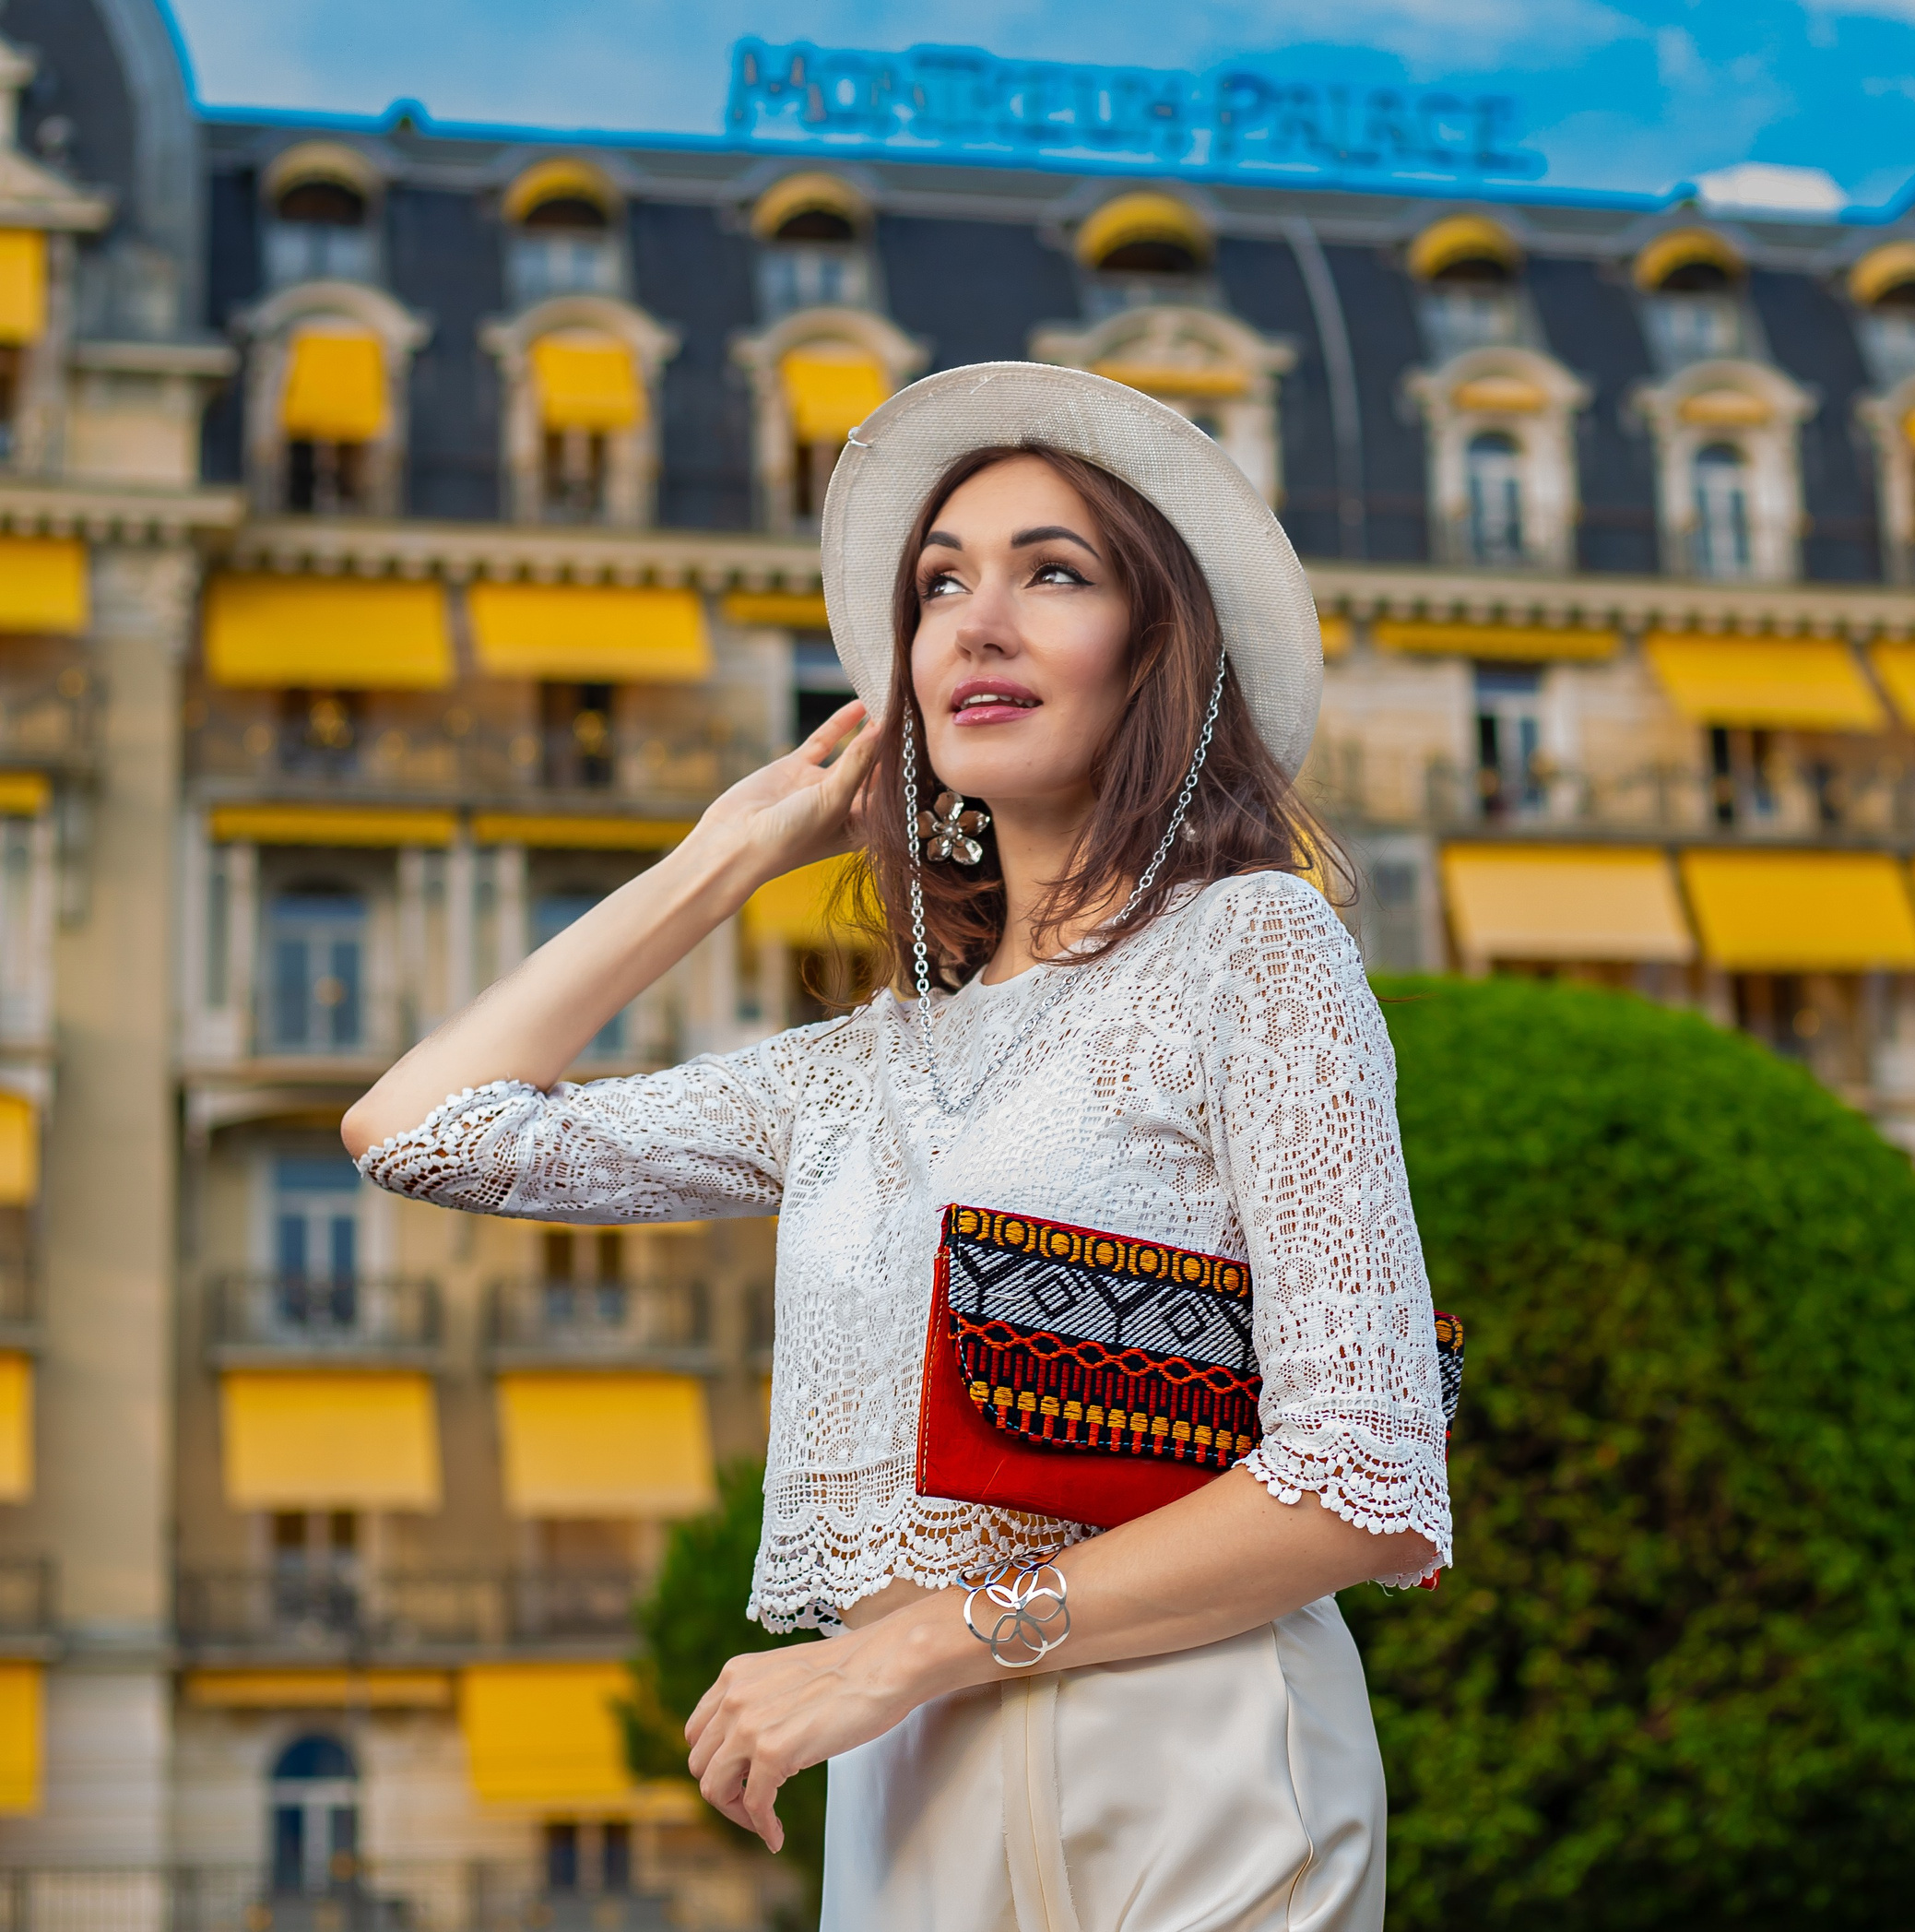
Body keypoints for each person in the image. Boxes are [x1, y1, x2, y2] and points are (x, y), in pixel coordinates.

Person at [343, 363, 1454, 1931]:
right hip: (903, 1775)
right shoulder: (853, 1073)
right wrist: (723, 858)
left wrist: (909, 1650)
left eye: (1051, 576)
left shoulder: (1252, 949)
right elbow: (420, 1132)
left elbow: (1367, 1477)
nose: (975, 625)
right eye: (939, 586)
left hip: (1182, 1749)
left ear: (1161, 653)